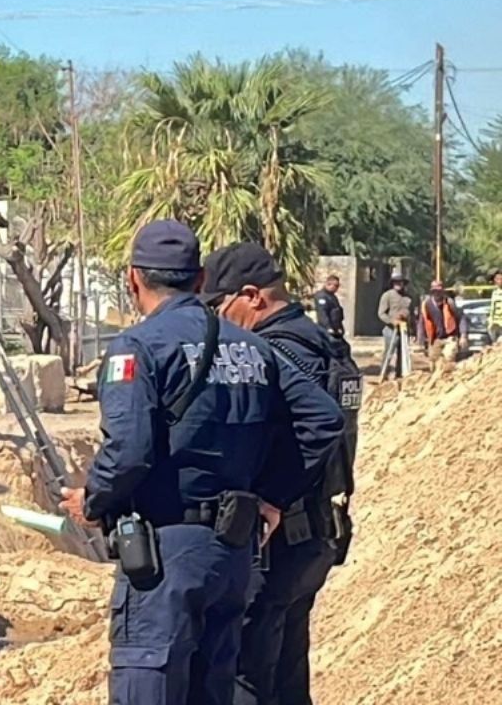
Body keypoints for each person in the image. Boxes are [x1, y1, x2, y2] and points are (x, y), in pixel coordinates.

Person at [60, 221, 343, 705]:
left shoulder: (139, 346)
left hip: (164, 555)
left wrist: (93, 500)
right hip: (233, 555)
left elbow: (128, 452)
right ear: (199, 280)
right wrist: (272, 496)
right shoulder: (253, 346)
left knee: (147, 685)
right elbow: (324, 418)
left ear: (133, 279)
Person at [200, 243, 359, 705]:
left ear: (252, 296)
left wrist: (272, 496)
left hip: (281, 538)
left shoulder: (276, 353)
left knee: (247, 676)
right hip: (315, 532)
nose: (217, 318)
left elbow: (320, 427)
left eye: (219, 305)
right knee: (288, 674)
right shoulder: (323, 344)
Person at [417, 280, 467, 375]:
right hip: (435, 339)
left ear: (442, 291)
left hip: (450, 338)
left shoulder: (449, 303)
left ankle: (449, 379)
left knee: (448, 360)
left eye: (439, 291)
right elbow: (421, 323)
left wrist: (463, 336)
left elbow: (461, 318)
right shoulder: (427, 304)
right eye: (434, 291)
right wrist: (421, 340)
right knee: (433, 364)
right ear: (431, 292)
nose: (437, 293)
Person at [377, 275, 414, 379]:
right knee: (390, 353)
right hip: (391, 330)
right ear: (393, 283)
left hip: (404, 330)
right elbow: (381, 314)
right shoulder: (387, 295)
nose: (398, 284)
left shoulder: (408, 298)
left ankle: (400, 375)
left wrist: (413, 330)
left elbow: (412, 314)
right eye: (396, 282)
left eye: (400, 282)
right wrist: (392, 321)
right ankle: (385, 375)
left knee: (403, 354)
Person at [488, 270, 502, 346]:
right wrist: (490, 321)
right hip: (495, 324)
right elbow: (492, 308)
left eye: (501, 279)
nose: (499, 281)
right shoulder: (495, 292)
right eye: (497, 279)